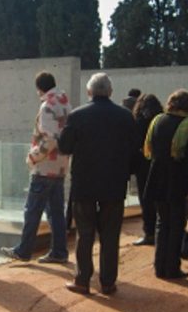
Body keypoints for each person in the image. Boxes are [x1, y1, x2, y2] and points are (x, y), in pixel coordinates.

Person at [58, 73, 138, 295]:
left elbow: (64, 147)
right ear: (110, 92)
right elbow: (134, 151)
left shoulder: (77, 115)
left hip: (84, 183)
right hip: (114, 184)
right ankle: (108, 282)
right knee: (110, 235)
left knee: (85, 233)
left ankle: (82, 280)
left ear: (89, 92)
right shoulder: (125, 116)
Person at [1, 71, 72, 264]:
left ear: (39, 88)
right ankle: (59, 251)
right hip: (61, 166)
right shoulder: (65, 103)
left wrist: (33, 157)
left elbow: (50, 139)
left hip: (44, 166)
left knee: (32, 210)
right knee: (56, 212)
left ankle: (24, 251)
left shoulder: (47, 105)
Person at [144, 89, 188, 280]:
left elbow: (150, 150)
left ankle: (159, 267)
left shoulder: (157, 120)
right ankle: (172, 268)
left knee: (162, 223)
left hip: (157, 178)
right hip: (178, 180)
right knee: (176, 224)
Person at [132, 93, 163, 246]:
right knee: (159, 199)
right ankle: (161, 232)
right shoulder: (161, 120)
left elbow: (134, 143)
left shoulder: (138, 122)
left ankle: (149, 232)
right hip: (160, 165)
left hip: (142, 166)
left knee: (145, 200)